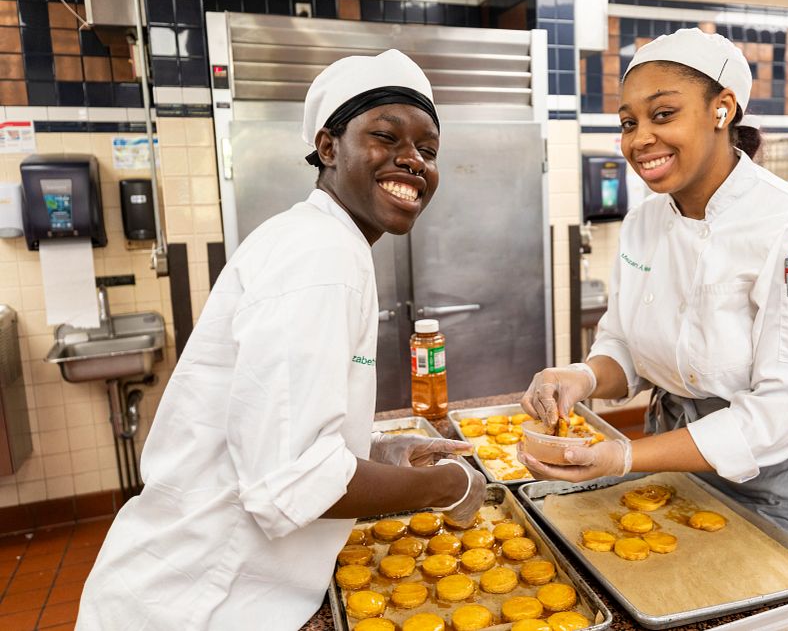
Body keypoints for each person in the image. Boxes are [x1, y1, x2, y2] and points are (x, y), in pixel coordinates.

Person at [77, 49, 487, 629]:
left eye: (428, 149)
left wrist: (371, 451)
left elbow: (269, 425)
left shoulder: (323, 241)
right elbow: (291, 478)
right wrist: (445, 485)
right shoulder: (318, 255)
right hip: (201, 602)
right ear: (327, 147)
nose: (412, 161)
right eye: (386, 136)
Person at [517, 29, 788, 566]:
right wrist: (582, 376)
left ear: (722, 110)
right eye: (628, 122)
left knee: (779, 604)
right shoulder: (643, 222)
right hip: (677, 449)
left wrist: (625, 455)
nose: (639, 139)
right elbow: (625, 343)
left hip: (783, 473)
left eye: (663, 115)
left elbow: (777, 413)